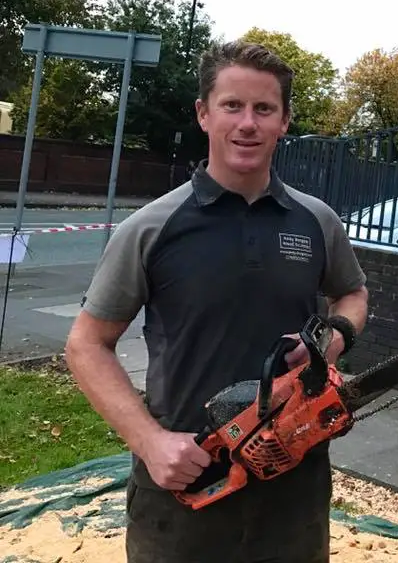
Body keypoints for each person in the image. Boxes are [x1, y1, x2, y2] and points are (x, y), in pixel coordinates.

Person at [65, 40, 369, 562]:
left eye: (263, 108)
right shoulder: (153, 228)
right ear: (204, 114)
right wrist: (150, 442)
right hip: (185, 483)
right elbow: (87, 345)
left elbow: (353, 292)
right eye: (232, 105)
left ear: (284, 121)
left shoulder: (316, 221)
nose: (247, 123)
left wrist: (334, 336)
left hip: (294, 484)